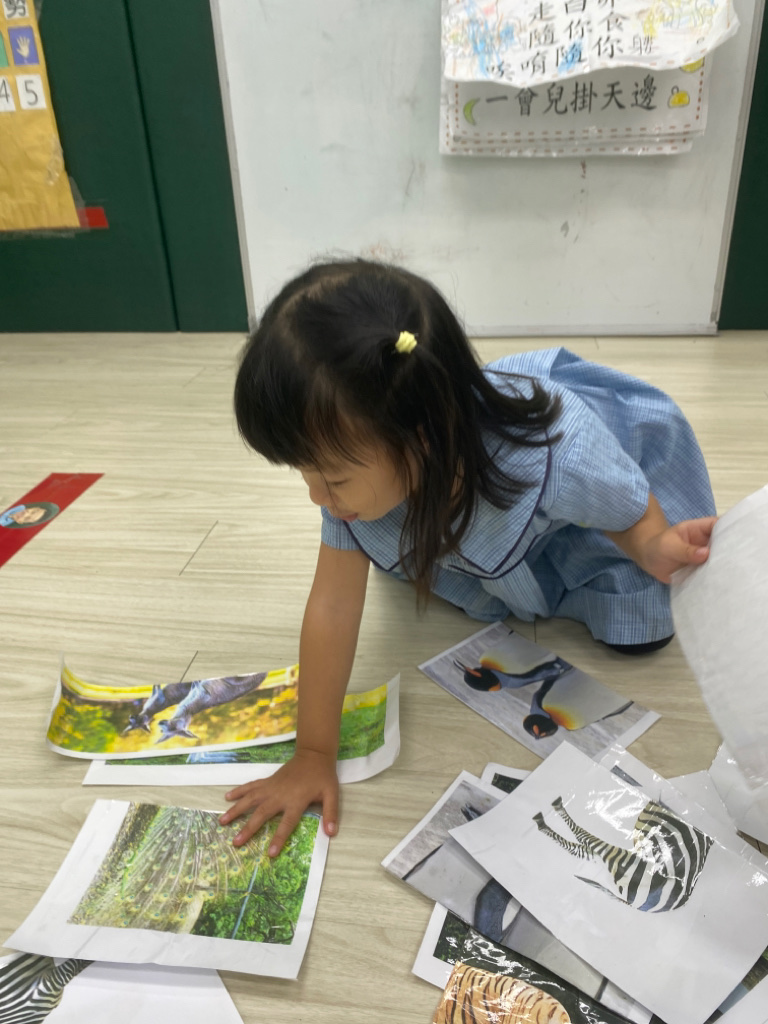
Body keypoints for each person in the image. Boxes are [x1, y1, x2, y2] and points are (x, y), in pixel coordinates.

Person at [221, 258, 716, 854]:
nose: (315, 496)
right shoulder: (354, 482)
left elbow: (627, 510)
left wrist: (653, 544)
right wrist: (313, 752)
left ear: (422, 439)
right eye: (304, 473)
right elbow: (332, 605)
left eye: (332, 478)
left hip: (572, 514)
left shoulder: (558, 449)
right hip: (459, 507)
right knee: (396, 537)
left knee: (643, 634)